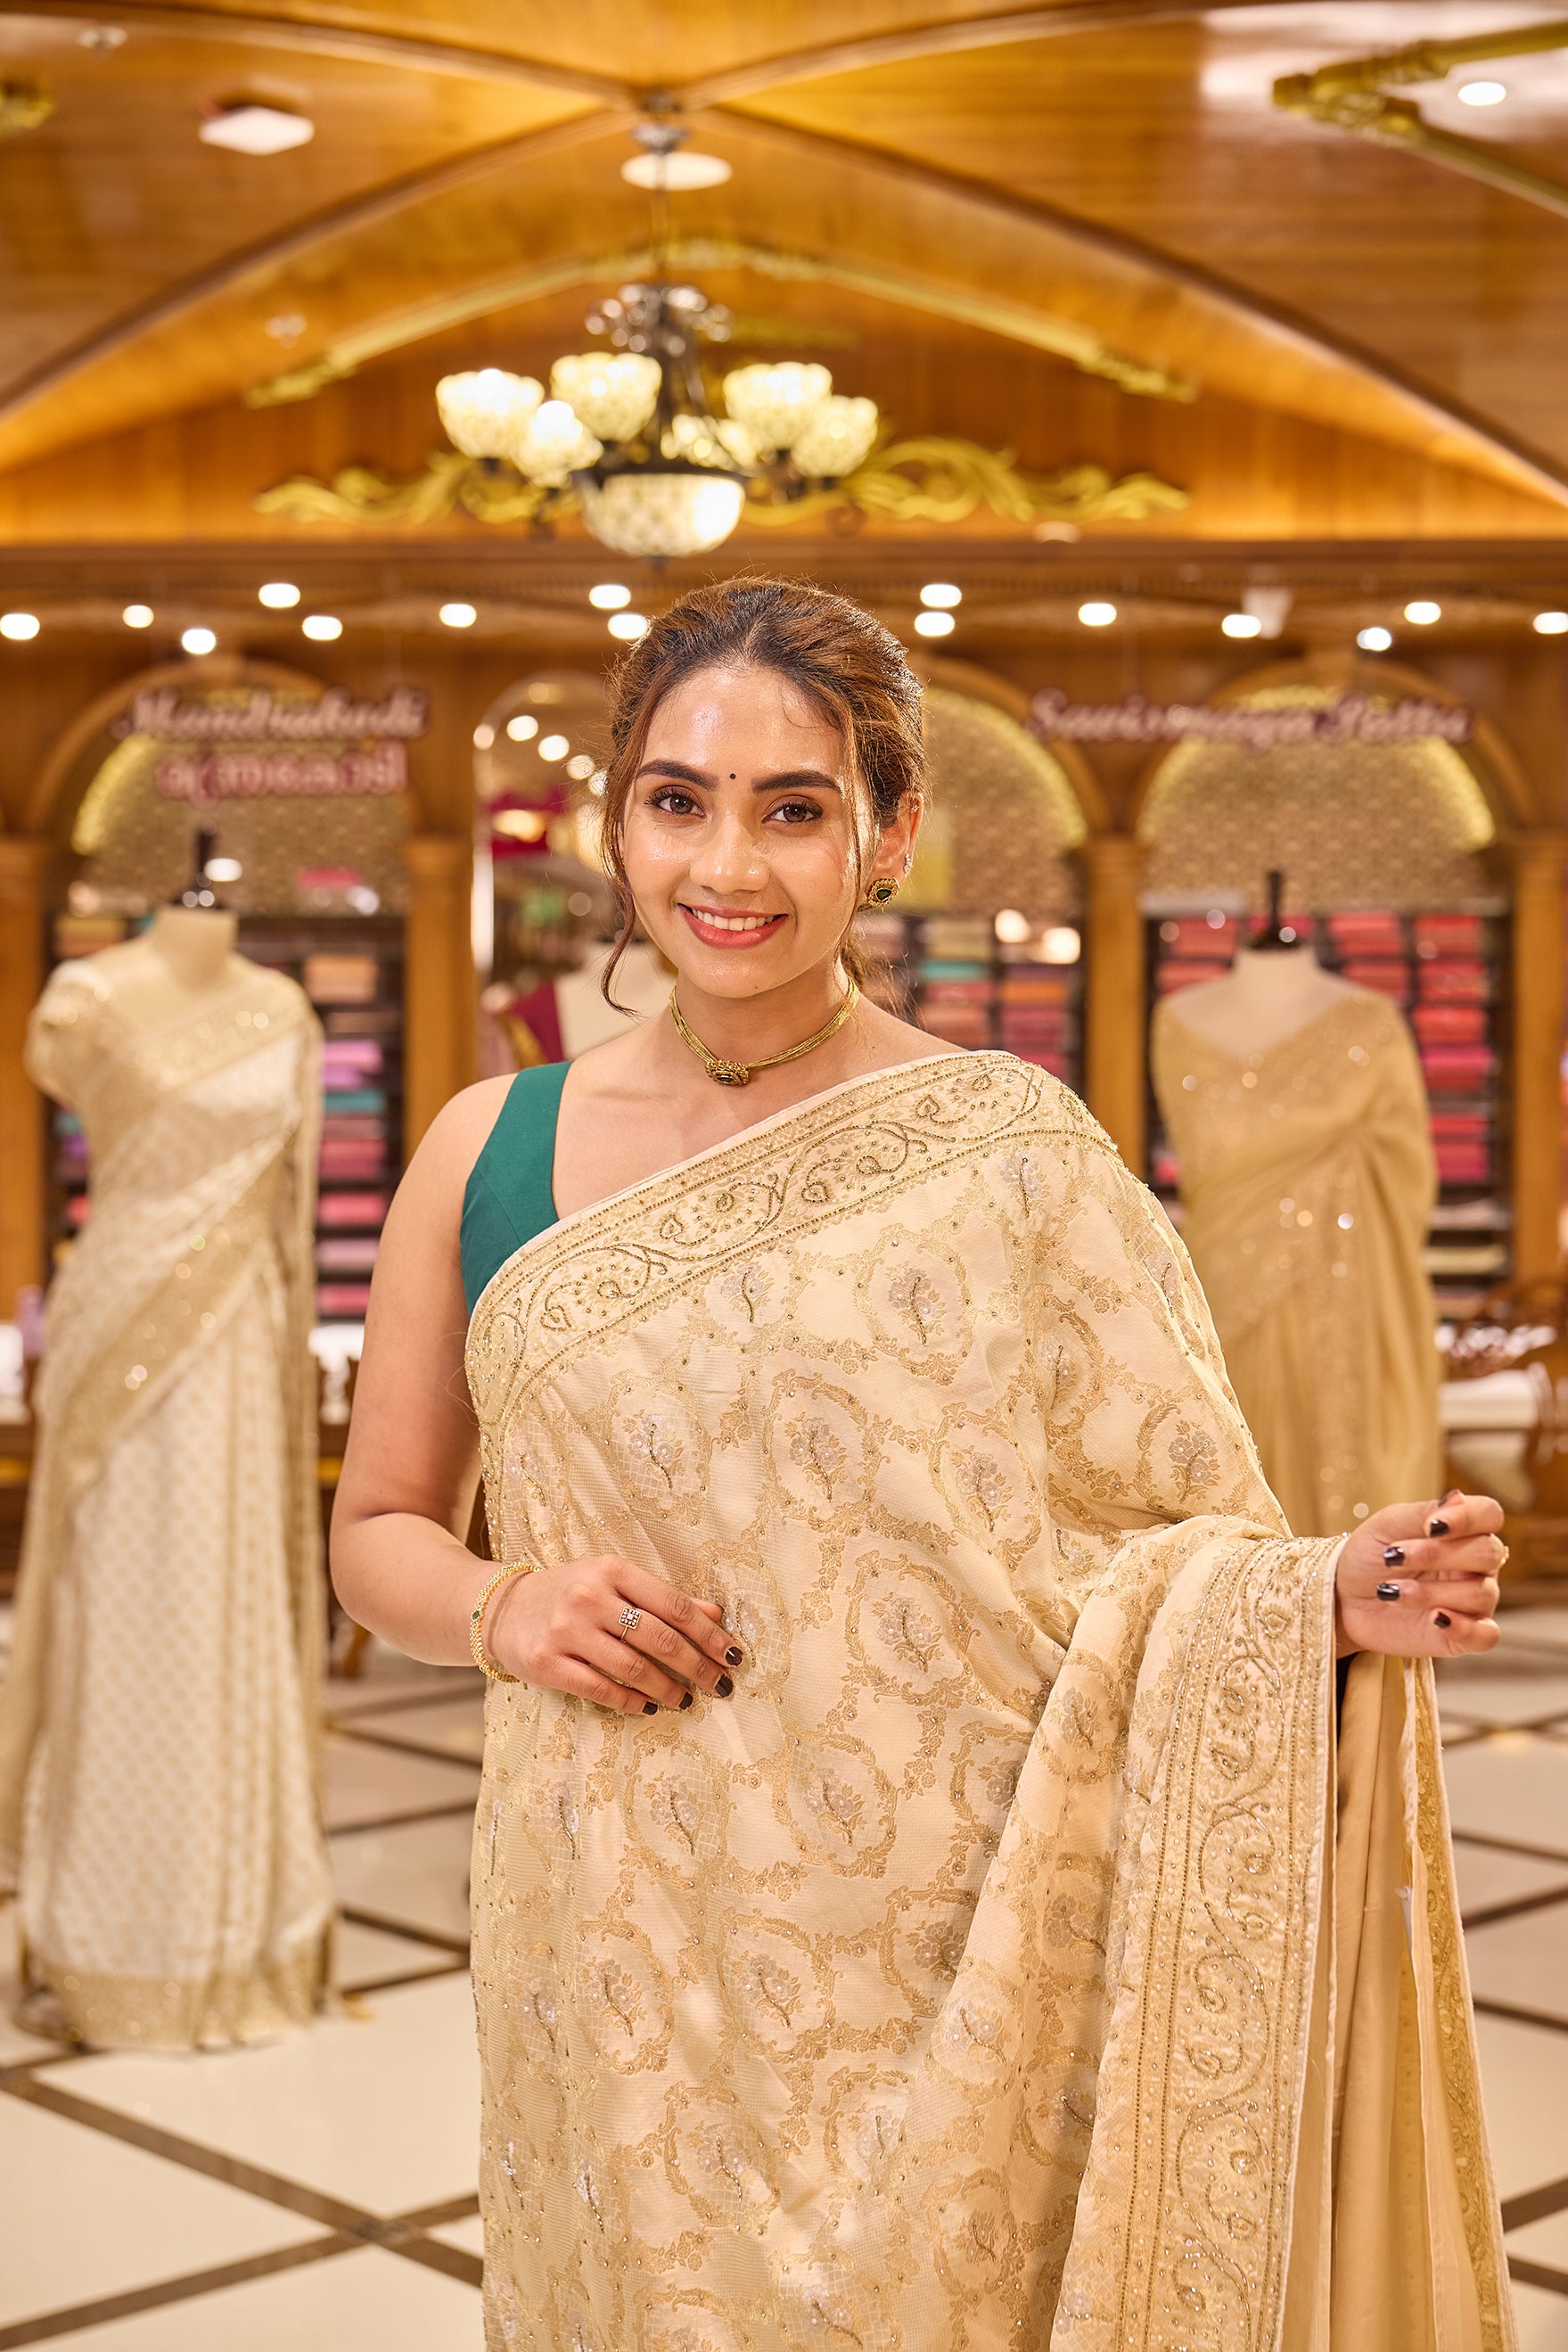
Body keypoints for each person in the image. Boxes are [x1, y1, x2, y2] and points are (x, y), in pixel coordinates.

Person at [332, 578, 1512, 2352]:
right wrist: (504, 1603)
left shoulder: (1008, 1152)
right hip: (620, 1931)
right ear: (614, 818)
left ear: (884, 833)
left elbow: (1172, 1533)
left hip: (959, 1948)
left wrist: (1319, 1592)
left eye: (792, 806)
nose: (728, 861)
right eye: (678, 798)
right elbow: (376, 1531)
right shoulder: (483, 1147)